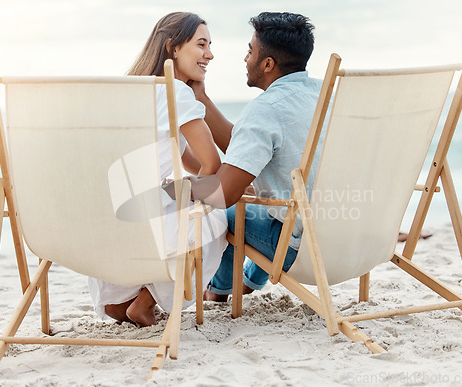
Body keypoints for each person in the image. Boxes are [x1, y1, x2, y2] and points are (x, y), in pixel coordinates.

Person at [88, 12, 228, 326]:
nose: (210, 54)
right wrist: (213, 191)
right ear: (173, 48)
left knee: (183, 197)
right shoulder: (174, 92)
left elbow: (188, 160)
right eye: (201, 44)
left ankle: (120, 300)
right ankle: (146, 301)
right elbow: (211, 164)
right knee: (213, 217)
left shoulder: (126, 92)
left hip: (108, 219)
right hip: (151, 218)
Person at [186, 12, 322, 301]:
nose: (245, 59)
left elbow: (224, 193)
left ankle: (220, 292)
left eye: (250, 51)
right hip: (345, 237)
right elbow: (246, 145)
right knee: (270, 206)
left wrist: (180, 187)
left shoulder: (267, 109)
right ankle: (246, 282)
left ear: (267, 64)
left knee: (230, 213)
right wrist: (201, 99)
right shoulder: (325, 95)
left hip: (302, 249)